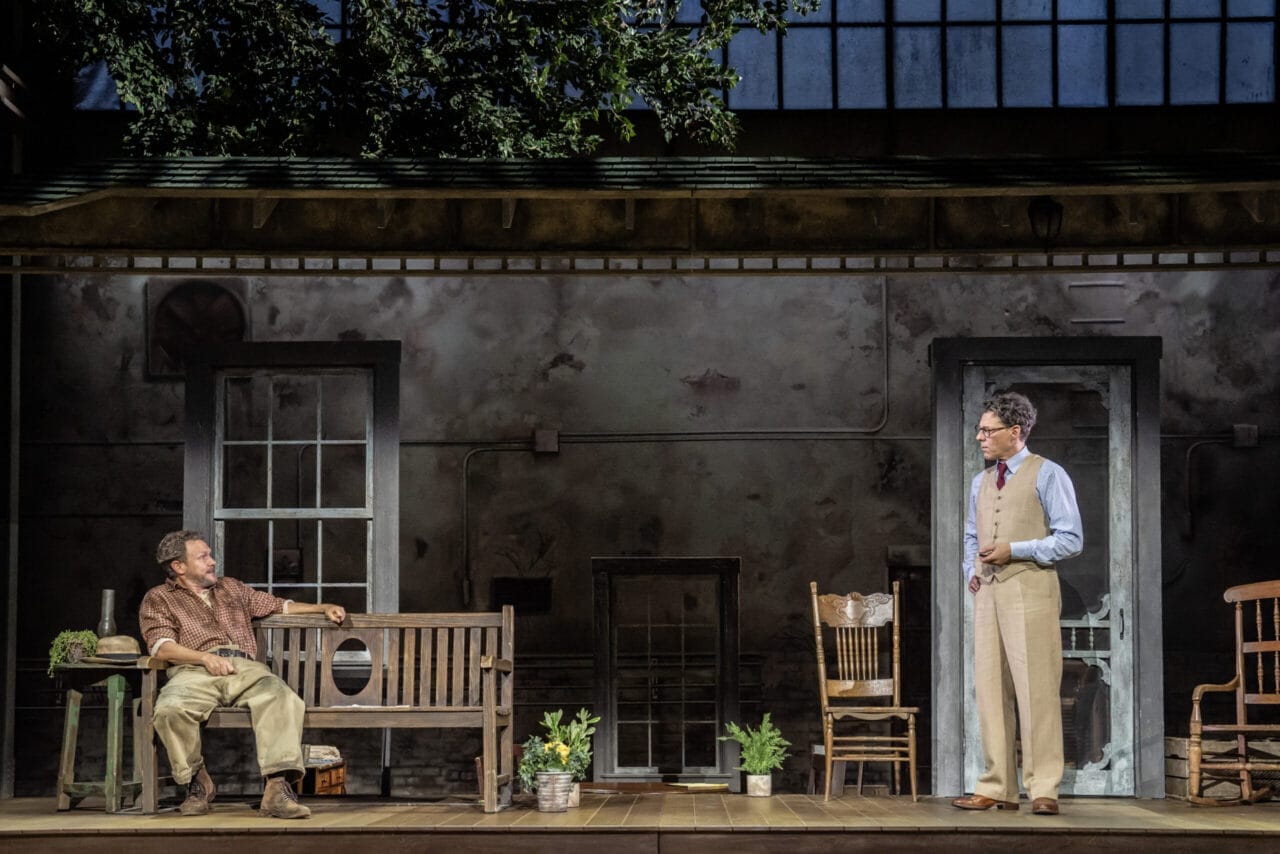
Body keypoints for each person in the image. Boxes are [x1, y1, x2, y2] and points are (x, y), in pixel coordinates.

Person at [139, 529, 347, 818]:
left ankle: (276, 790)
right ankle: (197, 781)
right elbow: (162, 647)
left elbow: (279, 605)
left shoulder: (230, 588)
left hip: (244, 668)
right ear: (179, 566)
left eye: (210, 555)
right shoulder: (159, 598)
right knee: (168, 710)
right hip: (193, 671)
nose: (212, 561)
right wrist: (204, 658)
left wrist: (323, 607)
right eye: (203, 557)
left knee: (282, 698)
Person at [951, 392, 1082, 817]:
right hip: (989, 592)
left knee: (1036, 690)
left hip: (1031, 588)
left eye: (987, 431)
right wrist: (970, 569)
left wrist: (1016, 549)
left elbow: (1071, 539)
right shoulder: (981, 481)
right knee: (990, 691)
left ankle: (1044, 788)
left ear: (1015, 431)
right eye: (979, 430)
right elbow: (972, 534)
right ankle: (998, 786)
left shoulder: (1048, 474)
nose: (980, 437)